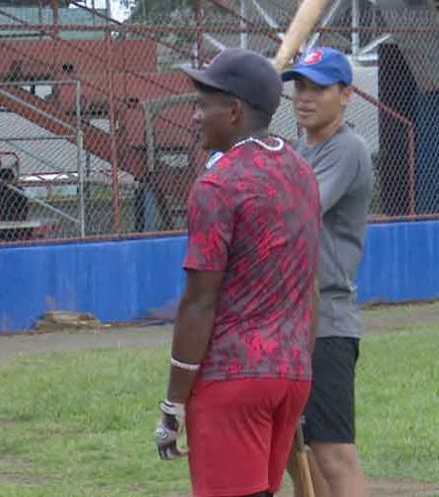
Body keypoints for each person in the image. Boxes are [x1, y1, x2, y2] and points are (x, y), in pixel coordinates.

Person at [154, 48, 321, 497]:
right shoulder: (301, 172)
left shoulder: (217, 184)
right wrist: (298, 365)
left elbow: (199, 301)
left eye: (202, 105)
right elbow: (309, 288)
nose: (194, 116)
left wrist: (173, 403)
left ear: (233, 110)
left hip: (234, 378)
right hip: (291, 373)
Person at [282, 47, 373, 497]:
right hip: (287, 319)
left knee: (333, 453)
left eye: (318, 87)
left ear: (346, 94)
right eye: (299, 85)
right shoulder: (297, 151)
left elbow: (296, 211)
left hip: (327, 321)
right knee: (293, 451)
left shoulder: (347, 149)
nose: (304, 96)